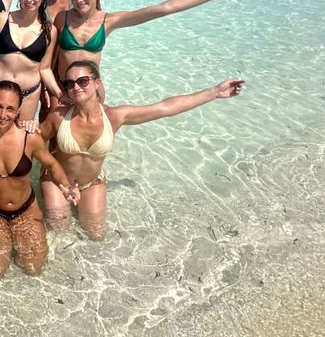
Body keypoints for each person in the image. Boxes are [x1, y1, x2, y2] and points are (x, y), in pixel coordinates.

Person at [40, 60, 244, 240]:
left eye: (82, 81)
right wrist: (29, 128)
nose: (76, 86)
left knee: (96, 235)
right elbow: (33, 142)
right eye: (69, 83)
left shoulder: (115, 116)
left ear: (97, 83)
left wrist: (215, 92)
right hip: (57, 181)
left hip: (92, 181)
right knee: (58, 230)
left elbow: (164, 108)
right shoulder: (59, 116)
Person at [0, 81, 73, 284]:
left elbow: (52, 165)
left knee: (34, 267)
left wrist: (66, 186)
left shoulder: (30, 138)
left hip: (25, 208)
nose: (3, 114)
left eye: (10, 109)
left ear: (19, 110)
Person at [53, 0, 247, 90]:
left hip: (91, 88)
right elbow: (51, 56)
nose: (79, 0)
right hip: (63, 86)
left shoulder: (109, 21)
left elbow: (163, 8)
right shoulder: (63, 18)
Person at [0, 0, 61, 120]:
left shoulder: (50, 31)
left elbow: (45, 68)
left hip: (28, 93)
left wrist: (60, 95)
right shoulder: (2, 19)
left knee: (21, 138)